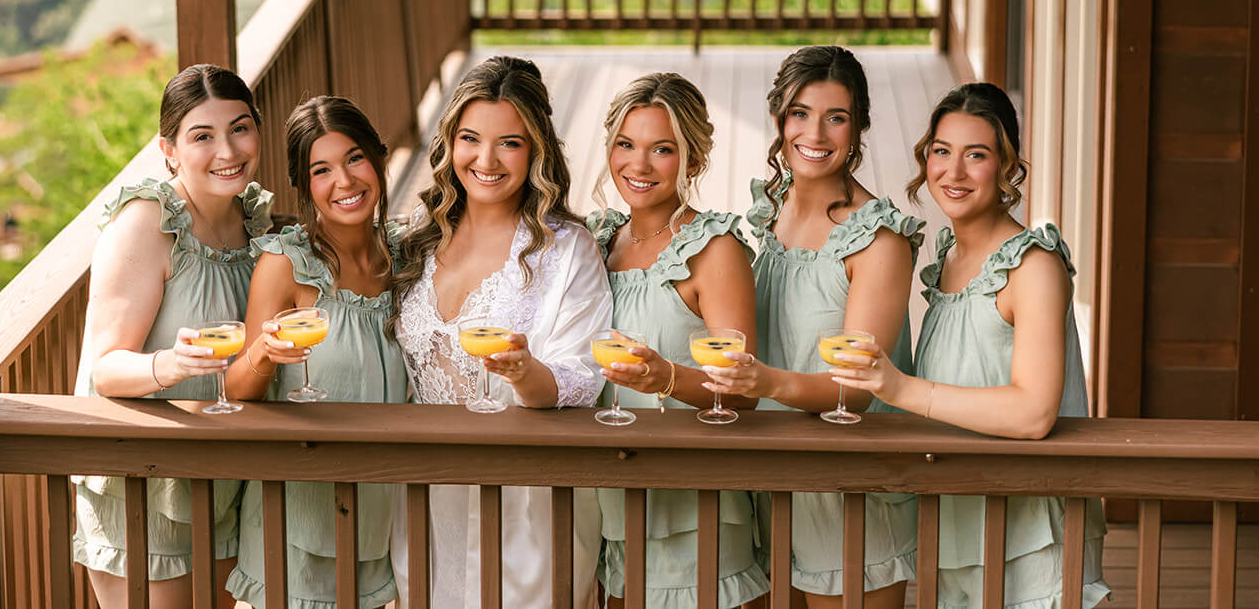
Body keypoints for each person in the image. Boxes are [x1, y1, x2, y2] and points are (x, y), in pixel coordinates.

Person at [830, 82, 1109, 608]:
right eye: (942, 151)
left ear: (1007, 166)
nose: (953, 172)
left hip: (1030, 535)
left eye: (976, 155)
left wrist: (898, 387)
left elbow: (1033, 413)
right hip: (959, 524)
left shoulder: (1032, 266)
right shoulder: (948, 261)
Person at [390, 55, 612, 609]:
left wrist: (525, 372)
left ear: (536, 151)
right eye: (470, 139)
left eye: (509, 143)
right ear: (449, 143)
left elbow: (581, 378)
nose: (485, 160)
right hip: (426, 496)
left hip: (528, 503)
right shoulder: (416, 237)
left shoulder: (568, 252)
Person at [703, 46, 920, 609]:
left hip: (848, 486)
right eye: (800, 113)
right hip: (770, 475)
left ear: (859, 127)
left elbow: (859, 389)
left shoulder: (879, 240)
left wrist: (766, 382)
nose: (815, 134)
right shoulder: (769, 212)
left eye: (836, 117)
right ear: (779, 118)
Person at [72, 64, 270, 609]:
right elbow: (105, 369)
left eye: (240, 128)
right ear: (169, 150)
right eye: (202, 136)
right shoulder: (148, 222)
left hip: (220, 478)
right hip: (144, 483)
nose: (227, 150)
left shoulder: (254, 222)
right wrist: (173, 364)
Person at [584, 72, 770, 609]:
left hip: (694, 506)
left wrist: (664, 376)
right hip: (614, 499)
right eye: (626, 145)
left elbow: (743, 391)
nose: (638, 165)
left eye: (662, 149)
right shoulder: (597, 241)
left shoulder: (714, 249)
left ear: (693, 160)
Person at [224, 96, 408, 609]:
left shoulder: (407, 255)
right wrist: (264, 352)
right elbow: (237, 389)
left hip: (378, 517)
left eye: (354, 158)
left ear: (379, 158)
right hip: (297, 523)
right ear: (304, 186)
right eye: (321, 170)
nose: (344, 182)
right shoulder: (286, 263)